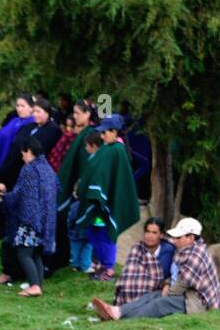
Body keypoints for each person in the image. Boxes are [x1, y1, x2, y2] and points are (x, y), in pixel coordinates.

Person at [90, 217, 220, 319]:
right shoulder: (185, 250)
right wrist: (167, 284)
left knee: (160, 303)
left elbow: (183, 283)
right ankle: (117, 311)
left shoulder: (196, 255)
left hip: (198, 301)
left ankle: (122, 319)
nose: (174, 240)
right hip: (187, 293)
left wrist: (167, 291)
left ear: (191, 238)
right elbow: (177, 276)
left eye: (178, 237)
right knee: (152, 295)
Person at [72, 122, 140, 282]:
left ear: (114, 132)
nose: (102, 137)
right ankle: (102, 264)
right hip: (99, 204)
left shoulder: (117, 150)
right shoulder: (109, 149)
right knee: (93, 231)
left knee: (105, 234)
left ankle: (108, 269)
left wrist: (98, 193)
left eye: (105, 133)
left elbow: (110, 178)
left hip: (106, 204)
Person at [1, 133, 58, 296]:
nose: (22, 156)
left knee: (24, 252)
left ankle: (34, 286)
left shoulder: (29, 170)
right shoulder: (48, 169)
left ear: (29, 151)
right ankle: (38, 284)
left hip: (30, 218)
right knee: (36, 252)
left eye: (23, 153)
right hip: (47, 219)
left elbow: (20, 194)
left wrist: (5, 197)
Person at [58, 99, 97, 274]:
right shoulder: (81, 134)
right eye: (74, 113)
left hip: (85, 193)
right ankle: (77, 262)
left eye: (78, 113)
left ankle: (85, 262)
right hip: (78, 192)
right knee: (76, 229)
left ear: (87, 113)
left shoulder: (91, 134)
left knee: (85, 230)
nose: (75, 117)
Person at [114, 218, 175, 303]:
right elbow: (128, 274)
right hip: (136, 286)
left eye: (154, 233)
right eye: (147, 231)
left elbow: (175, 273)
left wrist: (167, 284)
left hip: (159, 289)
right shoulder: (137, 248)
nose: (149, 236)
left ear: (161, 235)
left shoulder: (169, 250)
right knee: (126, 287)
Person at [0, 93, 34, 181]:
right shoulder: (14, 121)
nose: (19, 109)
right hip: (1, 158)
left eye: (23, 106)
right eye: (17, 106)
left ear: (31, 107)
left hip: (13, 163)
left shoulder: (32, 123)